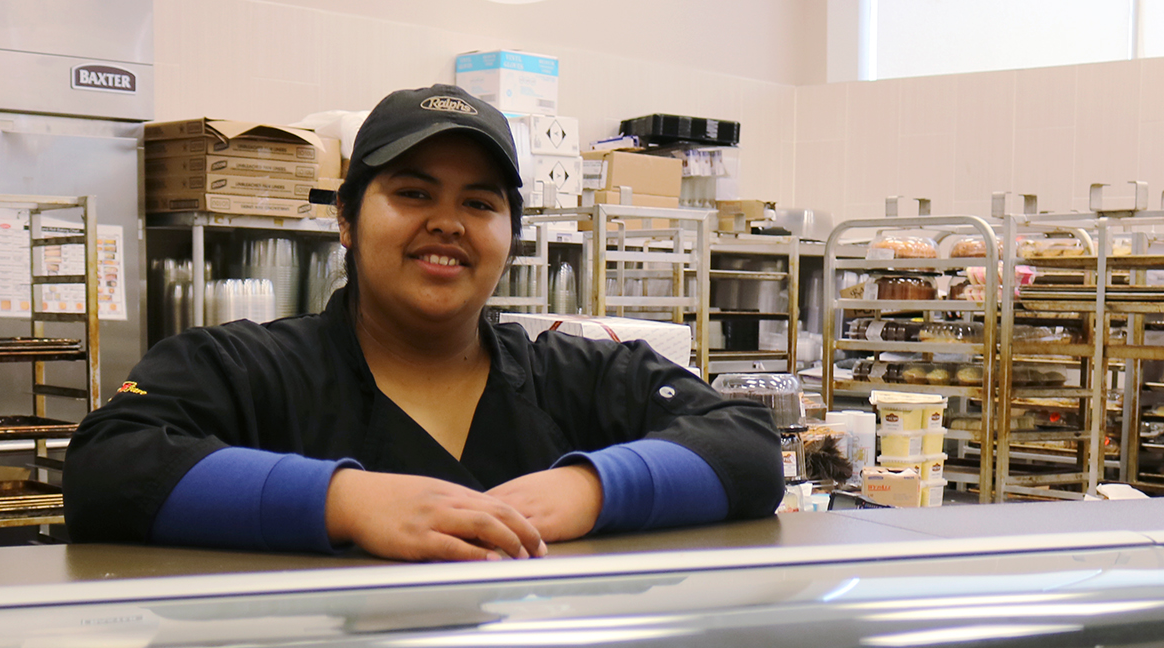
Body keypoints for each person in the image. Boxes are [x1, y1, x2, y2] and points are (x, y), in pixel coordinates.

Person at [64, 84, 783, 560]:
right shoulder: (248, 371)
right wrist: (343, 500)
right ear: (344, 217)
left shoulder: (571, 374)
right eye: (412, 192)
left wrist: (593, 487)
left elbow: (746, 447)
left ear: (509, 232)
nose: (447, 224)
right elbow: (108, 468)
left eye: (479, 203)